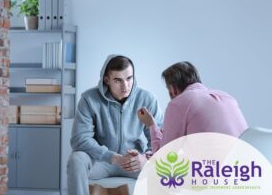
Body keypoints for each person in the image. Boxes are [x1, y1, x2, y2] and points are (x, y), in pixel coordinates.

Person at [67, 55, 163, 195]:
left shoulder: (147, 99)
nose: (125, 86)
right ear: (107, 80)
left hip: (134, 162)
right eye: (118, 80)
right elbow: (79, 139)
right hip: (102, 161)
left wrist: (145, 158)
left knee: (164, 165)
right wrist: (112, 157)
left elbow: (160, 139)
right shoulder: (89, 99)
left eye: (129, 78)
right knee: (76, 160)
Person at [137, 61, 248, 153]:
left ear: (173, 89)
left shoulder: (178, 103)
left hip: (211, 174)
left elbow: (163, 156)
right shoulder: (228, 97)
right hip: (245, 171)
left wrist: (151, 124)